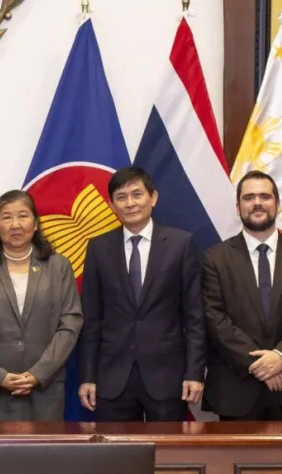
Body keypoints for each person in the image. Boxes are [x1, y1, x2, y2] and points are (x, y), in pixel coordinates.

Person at [78, 166, 205, 422]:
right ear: (112, 205)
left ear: (153, 197)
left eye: (137, 194)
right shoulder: (98, 248)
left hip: (167, 376)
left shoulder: (181, 244)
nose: (130, 203)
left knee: (170, 458)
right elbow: (91, 320)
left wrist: (194, 372)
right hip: (113, 378)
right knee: (117, 459)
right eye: (121, 197)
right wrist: (88, 376)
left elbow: (195, 317)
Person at [201, 171, 282, 421]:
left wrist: (280, 358)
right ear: (238, 207)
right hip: (236, 392)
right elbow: (215, 319)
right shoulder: (214, 258)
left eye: (264, 196)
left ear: (277, 204)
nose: (257, 203)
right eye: (249, 197)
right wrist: (263, 367)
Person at [0, 190, 82, 421]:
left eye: (23, 216)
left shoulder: (59, 266)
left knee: (43, 455)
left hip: (45, 389)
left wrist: (38, 373)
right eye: (6, 217)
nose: (15, 224)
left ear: (35, 223)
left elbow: (70, 323)